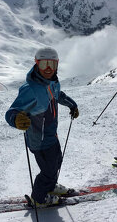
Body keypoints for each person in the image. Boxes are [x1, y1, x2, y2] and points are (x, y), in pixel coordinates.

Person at [5, 47, 79, 207]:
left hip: (51, 136)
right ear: (37, 64)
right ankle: (39, 198)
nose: (48, 68)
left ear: (57, 65)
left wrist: (72, 105)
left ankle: (50, 187)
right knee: (48, 170)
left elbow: (59, 95)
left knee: (56, 162)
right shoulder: (30, 89)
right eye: (44, 64)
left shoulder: (52, 83)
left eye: (51, 64)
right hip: (38, 140)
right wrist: (16, 119)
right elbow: (12, 112)